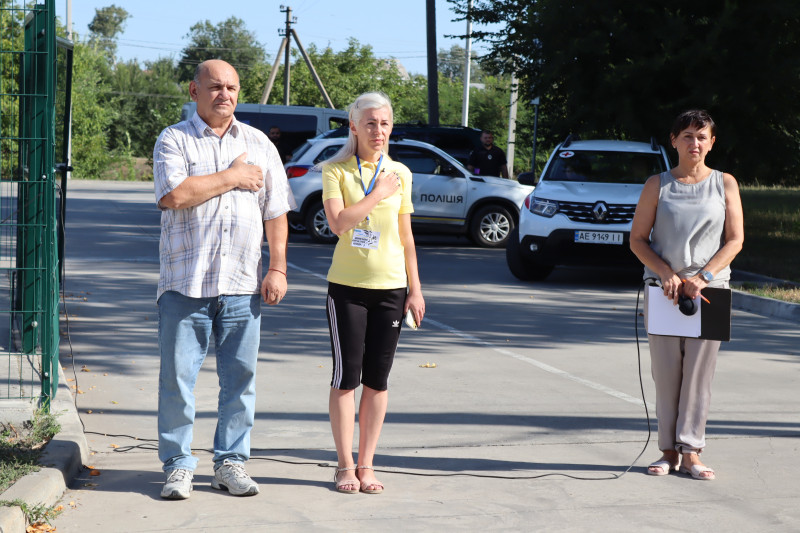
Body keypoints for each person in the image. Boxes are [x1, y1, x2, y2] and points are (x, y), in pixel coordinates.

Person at [152, 59, 295, 500]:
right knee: (177, 380)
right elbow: (174, 195)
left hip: (241, 284)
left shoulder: (258, 144)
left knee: (240, 380)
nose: (225, 94)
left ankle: (230, 463)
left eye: (232, 87)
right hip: (184, 284)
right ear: (194, 91)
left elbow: (276, 210)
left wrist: (278, 267)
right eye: (215, 87)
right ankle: (178, 466)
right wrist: (234, 176)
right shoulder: (174, 139)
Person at [320, 91, 425, 494]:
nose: (377, 130)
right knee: (347, 378)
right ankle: (344, 465)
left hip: (392, 290)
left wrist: (415, 290)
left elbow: (407, 238)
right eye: (369, 123)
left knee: (378, 381)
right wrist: (377, 193)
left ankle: (367, 465)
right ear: (354, 126)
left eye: (384, 123)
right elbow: (339, 222)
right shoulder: (337, 171)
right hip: (347, 289)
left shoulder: (401, 173)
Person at [630, 109, 744, 481]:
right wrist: (666, 273)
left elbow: (735, 240)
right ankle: (668, 452)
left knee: (699, 375)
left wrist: (705, 277)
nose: (694, 143)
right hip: (664, 292)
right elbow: (637, 240)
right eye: (687, 136)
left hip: (711, 293)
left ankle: (692, 451)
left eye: (702, 136)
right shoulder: (657, 185)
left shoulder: (725, 183)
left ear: (712, 143)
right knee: (666, 374)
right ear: (674, 140)